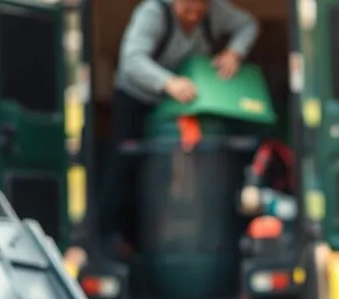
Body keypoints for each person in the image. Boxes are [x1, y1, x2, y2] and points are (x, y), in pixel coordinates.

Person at [64, 0, 259, 271]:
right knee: (126, 166)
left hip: (183, 103)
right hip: (138, 98)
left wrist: (234, 52)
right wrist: (167, 82)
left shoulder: (215, 11)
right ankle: (113, 239)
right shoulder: (153, 13)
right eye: (187, 10)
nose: (193, 16)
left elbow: (248, 25)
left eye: (199, 10)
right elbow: (132, 60)